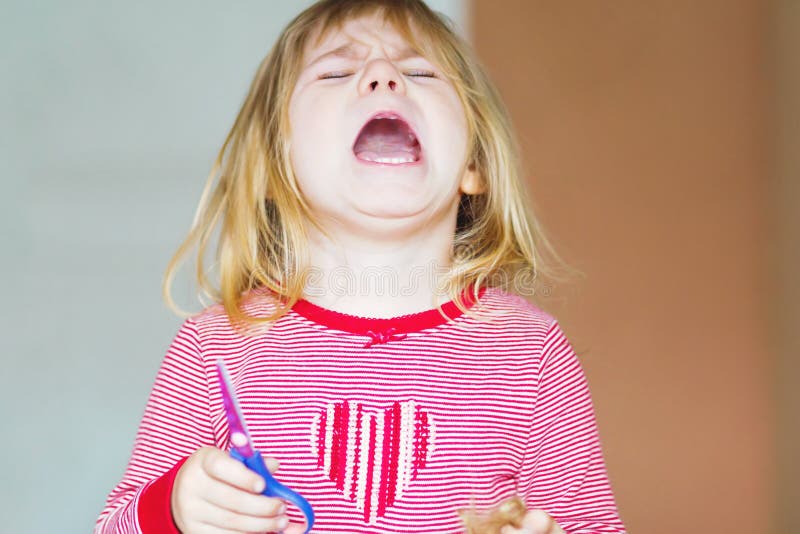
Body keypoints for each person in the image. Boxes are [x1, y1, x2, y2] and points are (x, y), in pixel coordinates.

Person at [95, 0, 626, 532]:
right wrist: (176, 510)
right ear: (277, 165)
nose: (383, 77)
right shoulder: (213, 347)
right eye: (337, 71)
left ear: (474, 163)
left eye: (419, 71)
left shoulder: (531, 352)